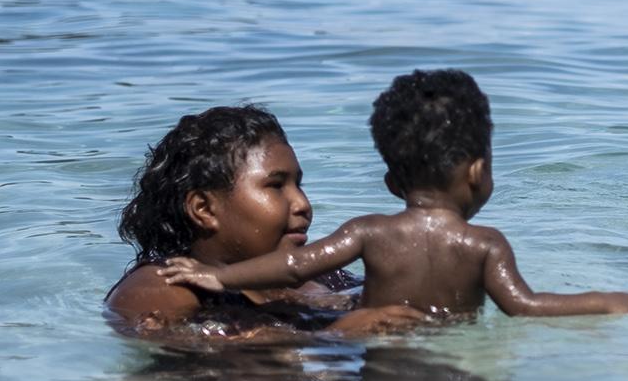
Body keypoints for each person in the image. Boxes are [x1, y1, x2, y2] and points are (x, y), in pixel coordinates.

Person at [159, 70, 628, 319]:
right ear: (479, 173)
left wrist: (217, 276)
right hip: (452, 368)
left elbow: (293, 267)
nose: (302, 202)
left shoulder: (368, 232)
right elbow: (525, 306)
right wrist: (605, 300)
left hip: (377, 372)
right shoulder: (485, 244)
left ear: (393, 184)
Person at [105, 104, 422, 339]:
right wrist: (335, 335)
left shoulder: (319, 277)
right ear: (204, 208)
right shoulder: (163, 287)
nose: (303, 204)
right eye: (275, 185)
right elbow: (184, 348)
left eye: (299, 184)